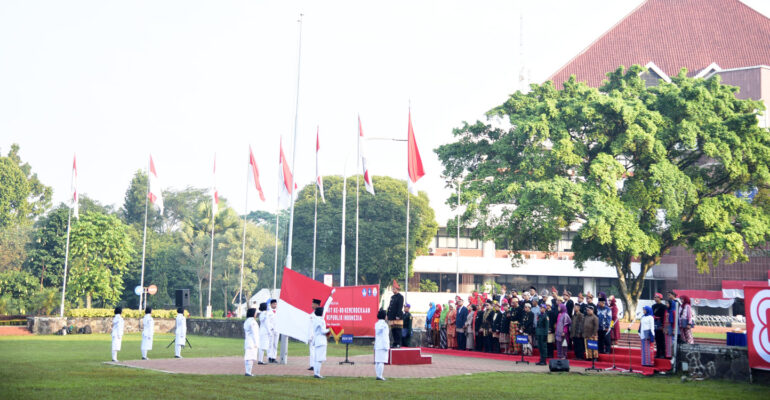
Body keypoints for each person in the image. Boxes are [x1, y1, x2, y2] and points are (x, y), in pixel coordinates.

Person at [311, 306, 329, 379]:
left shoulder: (315, 319)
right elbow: (323, 331)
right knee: (320, 358)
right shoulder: (321, 320)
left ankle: (316, 373)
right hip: (321, 340)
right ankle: (317, 373)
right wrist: (330, 329)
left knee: (316, 358)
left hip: (317, 340)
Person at [386, 281, 404, 348]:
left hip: (397, 316)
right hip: (391, 316)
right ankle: (395, 342)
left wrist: (398, 315)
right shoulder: (392, 297)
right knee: (393, 330)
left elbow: (400, 307)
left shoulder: (400, 297)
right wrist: (387, 315)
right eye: (392, 289)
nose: (393, 290)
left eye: (394, 289)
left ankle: (398, 343)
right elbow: (390, 306)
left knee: (398, 330)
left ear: (397, 289)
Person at [374, 309, 389, 381]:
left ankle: (378, 375)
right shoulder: (385, 325)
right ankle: (380, 376)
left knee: (377, 361)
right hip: (383, 345)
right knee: (381, 361)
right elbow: (385, 336)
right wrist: (387, 346)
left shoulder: (376, 324)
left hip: (377, 344)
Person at [243, 308, 259, 376]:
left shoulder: (247, 321)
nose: (256, 314)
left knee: (248, 357)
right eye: (255, 312)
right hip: (252, 342)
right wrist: (256, 343)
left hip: (248, 341)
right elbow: (254, 333)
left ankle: (247, 371)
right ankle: (248, 372)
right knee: (250, 357)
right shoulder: (252, 322)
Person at [307, 299, 322, 371]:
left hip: (316, 335)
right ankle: (312, 364)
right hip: (312, 335)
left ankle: (314, 365)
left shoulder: (318, 314)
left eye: (313, 304)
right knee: (312, 350)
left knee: (315, 350)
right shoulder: (312, 313)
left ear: (317, 305)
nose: (311, 305)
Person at [651, 293, 667, 358]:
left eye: (657, 297)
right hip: (655, 323)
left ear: (660, 298)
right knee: (657, 339)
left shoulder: (663, 306)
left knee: (662, 339)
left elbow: (664, 316)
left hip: (660, 323)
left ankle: (663, 353)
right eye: (654, 297)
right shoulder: (653, 306)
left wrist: (663, 326)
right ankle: (658, 353)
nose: (655, 298)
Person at [665, 291, 678, 358]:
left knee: (672, 340)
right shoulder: (669, 311)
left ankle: (672, 355)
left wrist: (673, 329)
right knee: (668, 340)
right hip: (669, 327)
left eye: (669, 295)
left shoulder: (673, 311)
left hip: (672, 327)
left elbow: (674, 321)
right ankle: (668, 354)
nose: (666, 304)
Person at [267, 299, 278, 363]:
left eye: (276, 304)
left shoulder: (278, 312)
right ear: (271, 305)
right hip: (271, 329)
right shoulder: (268, 312)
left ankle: (274, 357)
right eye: (274, 304)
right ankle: (269, 357)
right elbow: (268, 322)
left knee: (275, 344)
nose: (275, 305)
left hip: (277, 329)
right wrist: (270, 328)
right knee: (270, 344)